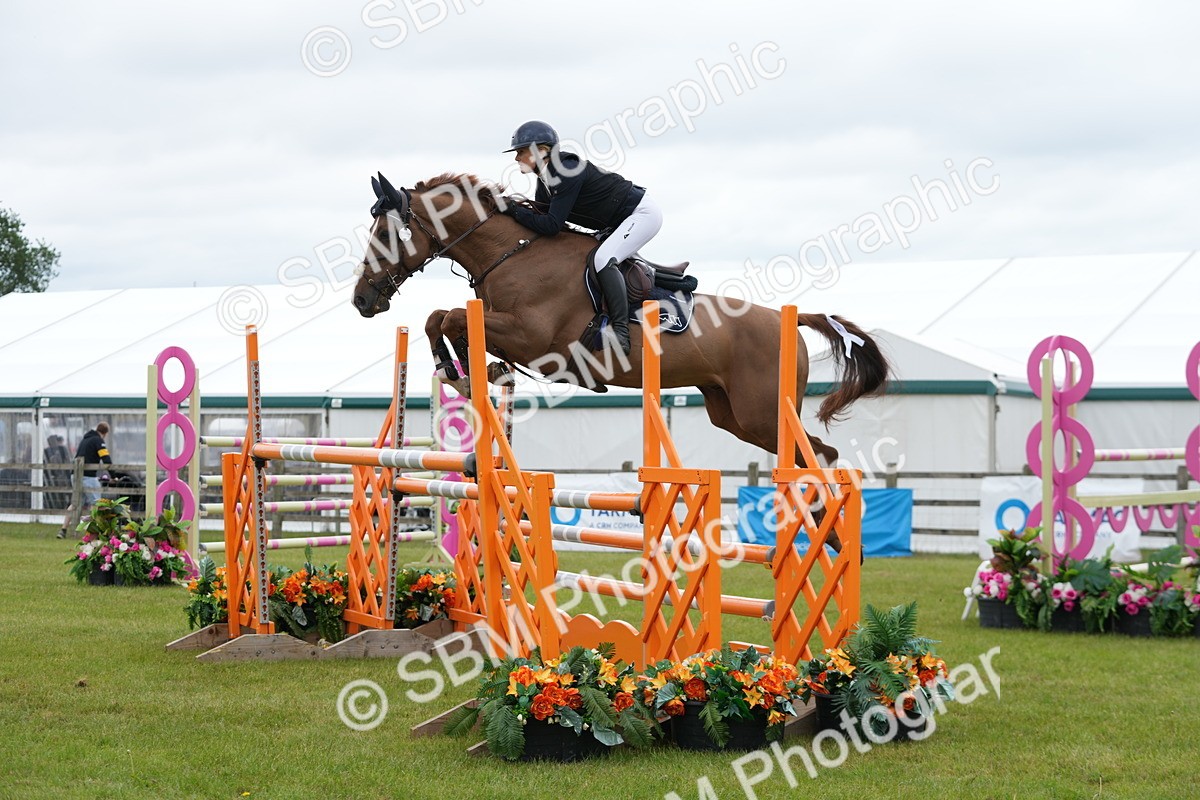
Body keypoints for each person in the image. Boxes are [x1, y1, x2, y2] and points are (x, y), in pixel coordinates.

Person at [500, 120, 663, 355]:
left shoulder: (566, 170)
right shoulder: (545, 180)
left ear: (542, 151)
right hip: (618, 222)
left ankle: (621, 332)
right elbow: (540, 216)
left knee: (603, 259)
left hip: (641, 214)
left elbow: (551, 225)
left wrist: (513, 209)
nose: (516, 158)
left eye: (521, 151)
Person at [58, 421, 112, 538]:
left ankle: (63, 530)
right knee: (97, 503)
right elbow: (106, 460)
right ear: (105, 433)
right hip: (88, 475)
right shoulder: (98, 440)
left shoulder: (85, 439)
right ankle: (92, 531)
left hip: (75, 475)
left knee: (75, 503)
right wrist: (113, 474)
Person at [43, 435, 71, 510]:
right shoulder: (47, 451)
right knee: (59, 494)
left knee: (66, 493)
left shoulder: (62, 449)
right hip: (55, 477)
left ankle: (65, 507)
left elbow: (67, 462)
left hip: (61, 476)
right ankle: (60, 507)